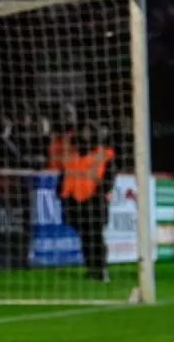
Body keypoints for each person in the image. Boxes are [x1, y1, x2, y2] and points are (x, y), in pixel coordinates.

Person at [59, 120, 115, 282]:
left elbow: (109, 177)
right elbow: (66, 175)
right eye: (83, 131)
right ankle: (91, 268)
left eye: (89, 131)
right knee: (85, 237)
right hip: (76, 200)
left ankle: (101, 268)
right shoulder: (72, 154)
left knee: (96, 236)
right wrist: (62, 193)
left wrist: (101, 191)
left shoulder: (104, 154)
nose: (86, 135)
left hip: (95, 201)